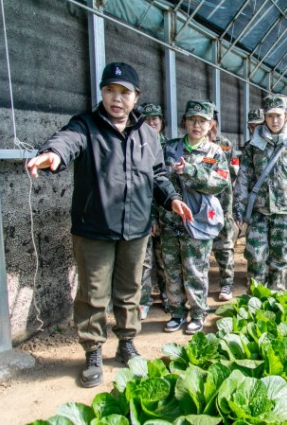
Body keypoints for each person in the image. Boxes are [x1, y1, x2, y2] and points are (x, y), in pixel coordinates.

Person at [26, 62, 192, 388]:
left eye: (124, 92)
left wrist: (171, 198)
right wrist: (53, 155)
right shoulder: (86, 126)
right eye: (109, 90)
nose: (116, 98)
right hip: (94, 229)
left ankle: (127, 343)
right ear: (102, 92)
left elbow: (157, 174)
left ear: (136, 96)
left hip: (136, 228)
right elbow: (67, 141)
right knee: (93, 294)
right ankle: (92, 352)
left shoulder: (147, 134)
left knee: (131, 290)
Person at [160, 100, 230, 334]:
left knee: (195, 270)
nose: (197, 125)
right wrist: (154, 218)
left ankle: (198, 313)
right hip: (170, 220)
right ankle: (177, 312)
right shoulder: (169, 148)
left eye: (202, 121)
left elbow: (219, 183)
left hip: (198, 220)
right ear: (185, 122)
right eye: (192, 120)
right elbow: (156, 182)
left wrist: (191, 170)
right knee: (172, 269)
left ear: (211, 124)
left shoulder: (214, 153)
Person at [234, 95, 287, 290]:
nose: (274, 121)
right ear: (264, 118)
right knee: (255, 255)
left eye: (278, 115)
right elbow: (243, 178)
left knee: (280, 256)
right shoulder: (254, 145)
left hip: (285, 210)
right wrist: (238, 208)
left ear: (286, 116)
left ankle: (276, 295)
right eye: (270, 116)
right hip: (259, 210)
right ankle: (256, 297)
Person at [139, 103, 169, 319]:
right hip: (145, 214)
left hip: (168, 213)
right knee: (144, 260)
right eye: (147, 119)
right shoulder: (138, 147)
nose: (152, 123)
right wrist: (150, 217)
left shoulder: (172, 147)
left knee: (166, 259)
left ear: (161, 122)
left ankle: (169, 297)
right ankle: (143, 300)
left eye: (155, 119)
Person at [209, 109, 238, 301]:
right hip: (199, 208)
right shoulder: (190, 145)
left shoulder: (226, 144)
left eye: (211, 121)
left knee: (225, 246)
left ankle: (227, 284)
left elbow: (234, 170)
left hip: (223, 203)